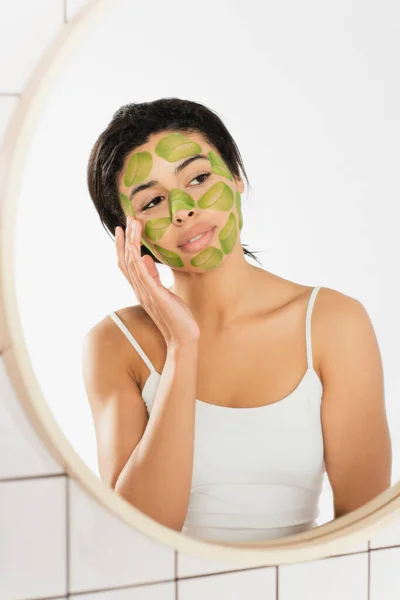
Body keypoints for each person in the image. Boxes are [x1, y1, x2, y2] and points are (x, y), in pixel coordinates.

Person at [82, 97, 392, 543]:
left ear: (236, 178)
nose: (183, 209)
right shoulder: (114, 343)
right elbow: (140, 535)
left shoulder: (333, 323)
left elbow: (363, 531)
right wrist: (182, 344)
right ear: (129, 235)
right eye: (151, 201)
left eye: (200, 177)